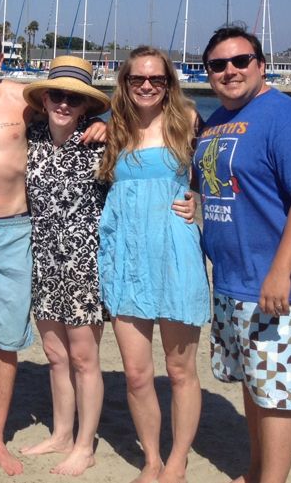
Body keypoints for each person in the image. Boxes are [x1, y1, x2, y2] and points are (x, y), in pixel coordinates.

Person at [0, 21, 108, 476]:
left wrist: (106, 127)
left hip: (17, 231)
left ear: (0, 59)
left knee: (8, 341)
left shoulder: (24, 100)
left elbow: (79, 114)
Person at [193, 25, 291, 483]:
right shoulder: (214, 124)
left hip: (277, 284)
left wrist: (280, 272)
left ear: (261, 64)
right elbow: (222, 190)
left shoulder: (285, 117)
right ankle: (255, 472)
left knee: (276, 396)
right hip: (232, 280)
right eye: (217, 65)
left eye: (240, 61)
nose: (229, 71)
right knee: (254, 386)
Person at [97, 46, 211, 483]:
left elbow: (223, 174)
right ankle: (152, 460)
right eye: (138, 79)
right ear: (124, 83)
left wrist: (197, 199)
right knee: (138, 373)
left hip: (175, 254)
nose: (147, 85)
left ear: (168, 84)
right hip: (127, 258)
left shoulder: (190, 124)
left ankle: (178, 459)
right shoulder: (114, 129)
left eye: (157, 80)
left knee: (181, 370)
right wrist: (95, 122)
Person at [18, 56, 111, 477]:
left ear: (87, 106)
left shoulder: (102, 142)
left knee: (84, 358)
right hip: (41, 259)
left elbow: (167, 127)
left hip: (84, 263)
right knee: (56, 356)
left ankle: (85, 445)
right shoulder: (32, 135)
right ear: (45, 99)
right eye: (57, 94)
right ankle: (60, 433)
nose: (64, 103)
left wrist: (184, 202)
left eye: (74, 98)